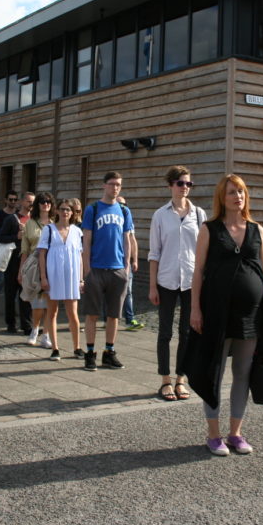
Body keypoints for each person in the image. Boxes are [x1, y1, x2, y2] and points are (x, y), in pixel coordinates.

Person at [183, 174, 263, 456]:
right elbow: (198, 272)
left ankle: (235, 433)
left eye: (241, 191)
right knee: (214, 371)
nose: (237, 196)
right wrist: (195, 309)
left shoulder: (257, 230)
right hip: (216, 312)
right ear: (221, 199)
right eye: (231, 193)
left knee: (243, 373)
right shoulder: (209, 229)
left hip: (250, 315)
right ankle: (213, 435)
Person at [148, 166, 206, 401]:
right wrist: (152, 286)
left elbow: (203, 251)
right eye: (180, 183)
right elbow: (154, 253)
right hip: (166, 280)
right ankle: (165, 380)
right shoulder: (160, 215)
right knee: (165, 332)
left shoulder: (199, 215)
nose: (185, 188)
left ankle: (181, 379)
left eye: (188, 184)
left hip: (191, 281)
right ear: (170, 185)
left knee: (188, 332)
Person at [80, 172, 134, 371]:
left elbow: (127, 239)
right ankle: (90, 352)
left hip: (117, 269)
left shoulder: (124, 211)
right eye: (112, 184)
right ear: (104, 186)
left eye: (118, 184)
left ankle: (109, 352)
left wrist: (126, 266)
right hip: (96, 268)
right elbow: (86, 240)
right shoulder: (92, 209)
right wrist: (86, 270)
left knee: (114, 315)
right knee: (92, 314)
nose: (115, 188)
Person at [37, 198, 84, 360]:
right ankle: (55, 348)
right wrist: (43, 277)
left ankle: (77, 347)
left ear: (72, 213)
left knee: (73, 313)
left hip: (71, 276)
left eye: (68, 210)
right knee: (52, 312)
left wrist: (81, 279)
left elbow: (79, 256)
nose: (65, 212)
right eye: (62, 209)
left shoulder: (77, 232)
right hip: (53, 275)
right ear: (56, 211)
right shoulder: (48, 230)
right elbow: (42, 254)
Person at [21, 191, 54, 348]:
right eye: (42, 202)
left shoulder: (55, 223)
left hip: (52, 264)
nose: (45, 204)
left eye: (48, 202)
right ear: (37, 205)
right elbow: (25, 249)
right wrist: (21, 270)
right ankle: (34, 330)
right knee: (36, 301)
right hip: (34, 264)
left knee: (50, 302)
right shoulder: (30, 223)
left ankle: (46, 335)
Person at [0, 192, 33, 335]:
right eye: (29, 201)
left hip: (29, 262)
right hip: (13, 262)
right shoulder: (12, 219)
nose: (31, 204)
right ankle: (11, 324)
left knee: (26, 294)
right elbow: (0, 237)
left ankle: (27, 325)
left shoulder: (34, 220)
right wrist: (15, 237)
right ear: (22, 202)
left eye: (33, 201)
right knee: (10, 294)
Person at [116, 195, 143, 331]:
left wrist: (135, 259)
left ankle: (129, 319)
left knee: (128, 291)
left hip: (125, 262)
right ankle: (107, 317)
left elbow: (133, 241)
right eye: (119, 204)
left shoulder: (128, 220)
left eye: (124, 204)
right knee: (110, 292)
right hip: (112, 261)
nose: (122, 207)